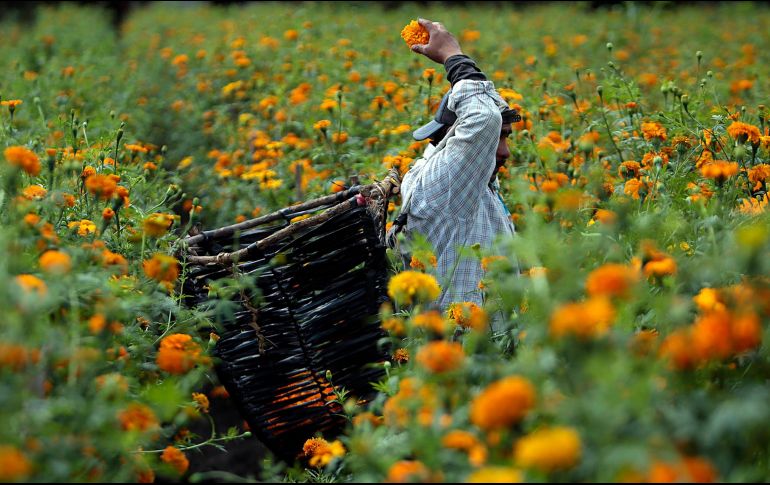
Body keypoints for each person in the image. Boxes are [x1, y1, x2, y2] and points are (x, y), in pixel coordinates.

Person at [390, 18, 520, 332]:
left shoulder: (474, 184)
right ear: (456, 141)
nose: (504, 152)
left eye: (505, 138)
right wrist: (453, 56)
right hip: (460, 358)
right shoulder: (442, 184)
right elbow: (482, 118)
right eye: (495, 138)